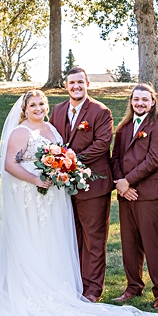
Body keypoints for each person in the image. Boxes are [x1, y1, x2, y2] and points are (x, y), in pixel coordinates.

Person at [0, 89, 158, 316]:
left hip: (53, 195)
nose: (38, 108)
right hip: (29, 194)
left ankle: (57, 287)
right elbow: (9, 164)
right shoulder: (21, 131)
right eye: (32, 104)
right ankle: (29, 291)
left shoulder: (52, 129)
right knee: (30, 240)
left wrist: (61, 171)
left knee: (51, 241)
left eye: (41, 103)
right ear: (24, 108)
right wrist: (35, 179)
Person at [48, 67, 115, 303]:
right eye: (71, 83)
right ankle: (75, 283)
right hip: (64, 186)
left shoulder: (100, 111)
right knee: (71, 236)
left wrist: (72, 160)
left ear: (87, 83)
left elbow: (102, 144)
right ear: (65, 86)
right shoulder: (56, 110)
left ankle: (93, 288)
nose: (76, 87)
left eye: (80, 82)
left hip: (93, 184)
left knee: (94, 238)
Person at [109, 84, 158, 308]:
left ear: (153, 102)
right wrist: (121, 184)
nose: (140, 103)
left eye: (145, 99)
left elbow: (154, 160)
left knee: (153, 243)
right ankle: (133, 286)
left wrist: (129, 181)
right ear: (131, 101)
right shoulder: (124, 127)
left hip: (148, 194)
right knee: (129, 243)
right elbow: (114, 158)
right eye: (136, 99)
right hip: (126, 194)